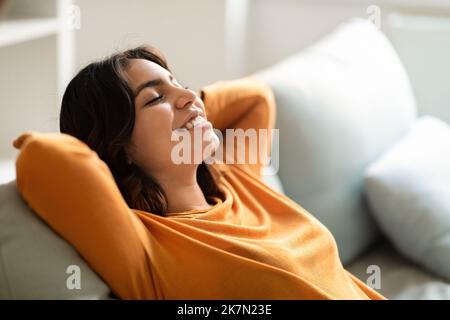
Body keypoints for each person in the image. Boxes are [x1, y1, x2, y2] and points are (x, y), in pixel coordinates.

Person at [13, 45, 385, 300]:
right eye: (154, 97)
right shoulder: (148, 251)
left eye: (181, 84)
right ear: (118, 146)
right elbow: (44, 158)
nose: (188, 96)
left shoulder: (238, 180)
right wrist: (183, 116)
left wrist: (187, 108)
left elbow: (256, 98)